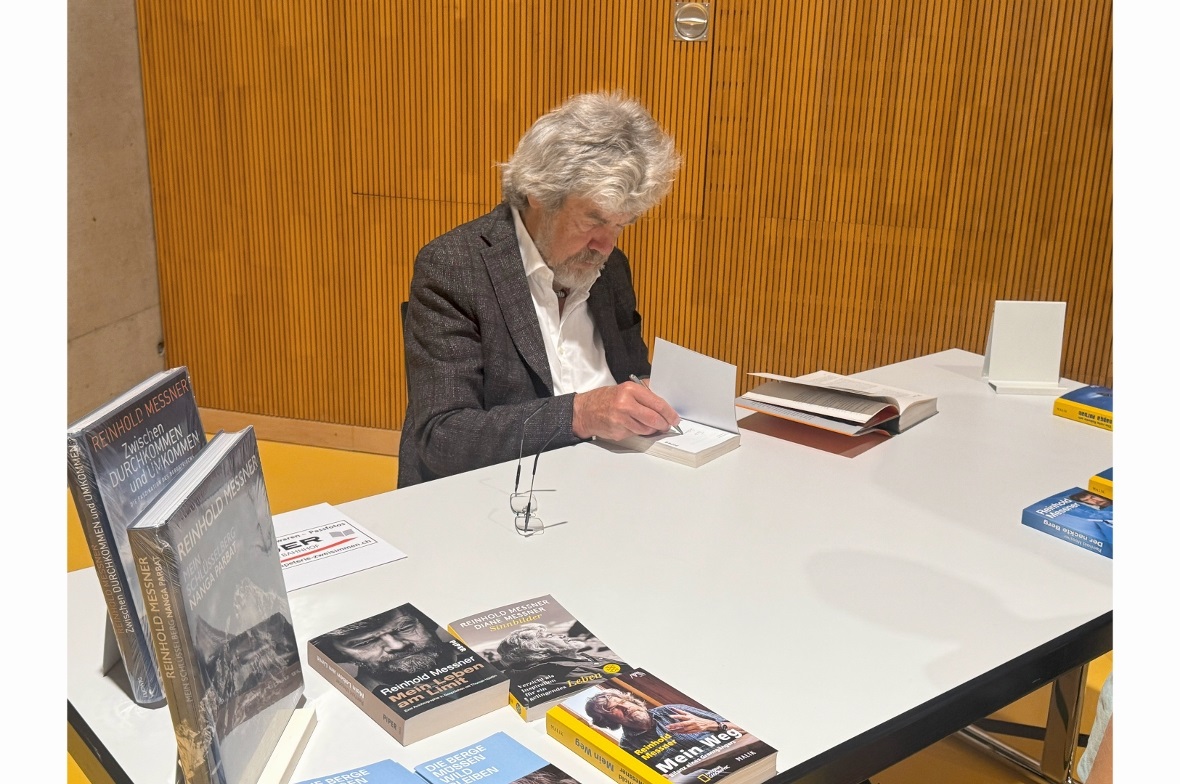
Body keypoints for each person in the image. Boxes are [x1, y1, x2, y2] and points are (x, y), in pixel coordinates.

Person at [399, 91, 684, 487]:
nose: (606, 246)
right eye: (593, 221)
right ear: (539, 193)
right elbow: (443, 436)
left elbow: (631, 378)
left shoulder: (611, 269)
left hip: (610, 487)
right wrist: (580, 414)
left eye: (621, 225)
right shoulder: (454, 267)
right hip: (500, 499)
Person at [313, 606, 458, 692]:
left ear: (427, 622)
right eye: (366, 642)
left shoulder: (478, 651)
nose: (397, 646)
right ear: (338, 655)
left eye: (405, 628)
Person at [583, 688, 742, 765]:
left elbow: (744, 728)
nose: (625, 707)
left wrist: (711, 725)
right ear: (607, 721)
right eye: (613, 709)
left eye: (623, 701)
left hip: (737, 752)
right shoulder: (627, 745)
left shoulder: (671, 710)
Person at [495, 623, 625, 684]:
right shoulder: (561, 672)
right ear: (535, 647)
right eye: (550, 635)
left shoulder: (572, 661)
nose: (562, 636)